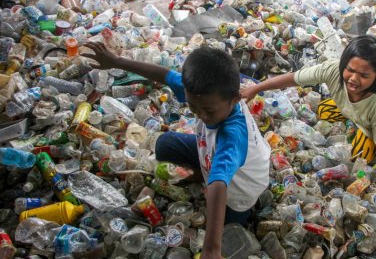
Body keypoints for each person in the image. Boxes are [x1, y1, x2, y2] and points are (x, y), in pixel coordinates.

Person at [82, 43, 271, 259]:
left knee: (227, 229)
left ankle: (231, 207)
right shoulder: (202, 92)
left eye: (208, 110)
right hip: (209, 154)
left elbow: (219, 183)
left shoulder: (233, 134)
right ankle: (200, 173)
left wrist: (211, 250)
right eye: (193, 108)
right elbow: (164, 74)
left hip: (240, 188)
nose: (201, 115)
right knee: (165, 144)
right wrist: (116, 62)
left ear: (235, 99)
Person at [241, 35, 376, 186]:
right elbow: (294, 78)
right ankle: (354, 122)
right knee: (323, 110)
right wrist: (257, 88)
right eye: (350, 70)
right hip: (354, 109)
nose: (354, 78)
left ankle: (364, 129)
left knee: (362, 156)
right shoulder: (333, 70)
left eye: (364, 75)